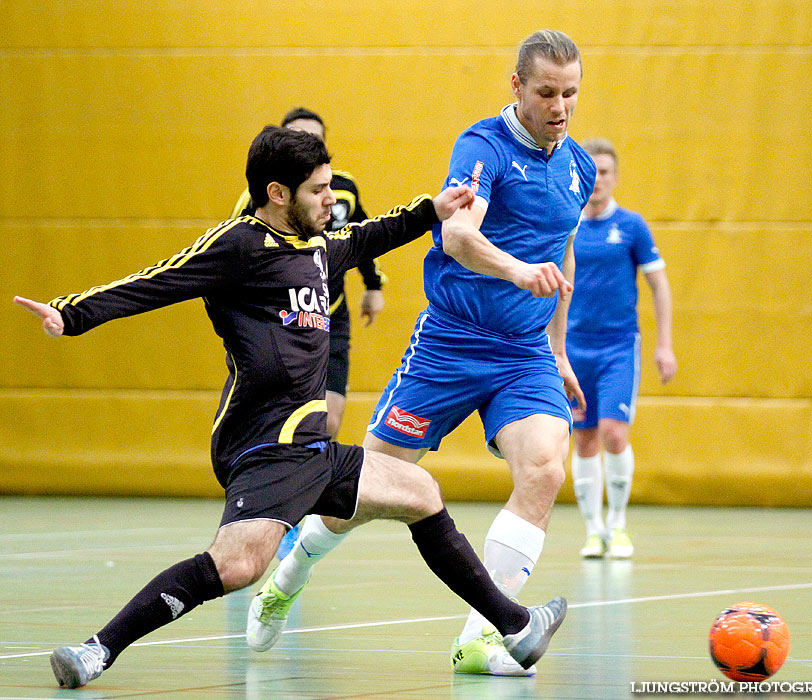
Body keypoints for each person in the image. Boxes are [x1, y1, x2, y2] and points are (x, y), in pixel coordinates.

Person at [14, 126, 567, 689]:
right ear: (278, 194)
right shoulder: (239, 246)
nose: (332, 199)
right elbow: (157, 282)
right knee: (237, 566)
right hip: (262, 445)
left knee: (419, 493)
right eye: (318, 191)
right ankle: (95, 651)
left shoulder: (320, 247)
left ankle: (516, 625)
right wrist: (71, 314)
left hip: (311, 447)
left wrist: (434, 207)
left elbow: (375, 234)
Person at [248, 30, 594, 677]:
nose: (559, 106)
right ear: (516, 87)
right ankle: (287, 578)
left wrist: (558, 347)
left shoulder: (575, 165)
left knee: (545, 470)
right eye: (546, 92)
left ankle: (480, 636)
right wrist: (517, 271)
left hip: (523, 353)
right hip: (450, 345)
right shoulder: (482, 147)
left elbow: (562, 253)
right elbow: (459, 234)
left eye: (570, 93)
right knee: (367, 492)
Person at [231, 107, 385, 440]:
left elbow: (361, 236)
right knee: (282, 418)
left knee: (327, 421)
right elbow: (236, 254)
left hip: (330, 314)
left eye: (314, 139)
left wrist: (373, 286)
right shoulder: (256, 200)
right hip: (281, 319)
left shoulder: (342, 190)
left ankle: (313, 483)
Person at [567, 138, 677, 559]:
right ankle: (593, 530)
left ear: (615, 177)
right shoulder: (568, 225)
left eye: (606, 172)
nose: (598, 181)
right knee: (585, 440)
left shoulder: (631, 226)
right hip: (574, 347)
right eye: (591, 172)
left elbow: (659, 285)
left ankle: (618, 525)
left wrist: (664, 344)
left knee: (614, 434)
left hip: (617, 347)